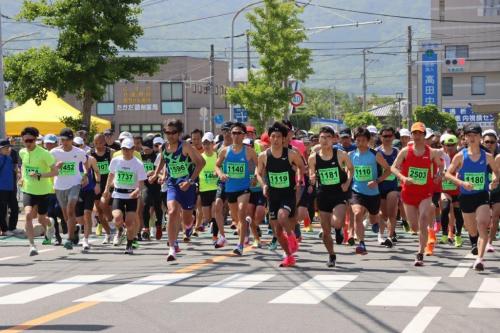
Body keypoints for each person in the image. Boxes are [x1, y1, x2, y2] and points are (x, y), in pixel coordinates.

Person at [149, 119, 205, 261]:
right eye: (167, 132)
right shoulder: (163, 147)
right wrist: (156, 174)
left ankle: (189, 225)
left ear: (179, 133)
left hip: (187, 185)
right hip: (173, 184)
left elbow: (201, 163)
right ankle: (172, 247)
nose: (170, 135)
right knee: (172, 211)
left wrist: (190, 181)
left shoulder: (185, 146)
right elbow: (163, 160)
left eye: (173, 132)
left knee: (186, 219)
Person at [445, 124, 498, 271]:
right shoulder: (460, 156)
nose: (472, 138)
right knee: (472, 230)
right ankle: (474, 240)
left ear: (480, 137)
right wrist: (461, 182)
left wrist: (494, 180)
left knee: (482, 224)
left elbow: (496, 172)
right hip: (466, 197)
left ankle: (480, 259)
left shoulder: (487, 156)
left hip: (482, 195)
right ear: (465, 138)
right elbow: (448, 174)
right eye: (469, 135)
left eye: (475, 135)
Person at [391, 122, 444, 266]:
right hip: (408, 194)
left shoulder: (430, 152)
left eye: (420, 133)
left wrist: (439, 175)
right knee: (414, 227)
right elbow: (393, 167)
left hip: (425, 193)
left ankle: (420, 253)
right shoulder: (405, 151)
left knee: (424, 218)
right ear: (411, 135)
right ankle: (426, 230)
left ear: (424, 135)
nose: (417, 136)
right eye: (415, 133)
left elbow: (441, 165)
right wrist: (403, 178)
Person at [256, 122, 305, 267]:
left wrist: (299, 180)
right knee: (277, 231)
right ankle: (289, 257)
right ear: (269, 138)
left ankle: (292, 237)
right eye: (273, 136)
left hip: (288, 193)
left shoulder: (291, 154)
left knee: (282, 216)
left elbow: (302, 167)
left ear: (284, 139)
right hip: (273, 194)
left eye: (278, 136)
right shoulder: (264, 155)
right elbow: (258, 173)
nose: (276, 139)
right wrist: (263, 185)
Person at [308, 126, 353, 267]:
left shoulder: (340, 154)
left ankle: (339, 229)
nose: (325, 140)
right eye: (322, 137)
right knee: (326, 231)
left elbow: (351, 169)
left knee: (337, 222)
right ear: (319, 139)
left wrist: (347, 182)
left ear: (333, 139)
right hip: (323, 194)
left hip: (339, 192)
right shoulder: (313, 158)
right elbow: (311, 175)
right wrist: (312, 178)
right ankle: (332, 255)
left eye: (328, 137)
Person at [215, 122, 258, 255]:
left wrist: (255, 176)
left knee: (241, 210)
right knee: (237, 218)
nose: (236, 136)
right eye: (234, 133)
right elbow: (217, 166)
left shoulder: (249, 151)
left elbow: (259, 165)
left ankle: (240, 246)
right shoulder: (225, 151)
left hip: (244, 188)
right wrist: (221, 174)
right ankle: (245, 224)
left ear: (244, 135)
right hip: (230, 189)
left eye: (239, 133)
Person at [349, 127, 392, 255]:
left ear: (368, 141)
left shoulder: (375, 154)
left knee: (373, 219)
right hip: (356, 190)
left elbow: (388, 170)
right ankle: (361, 244)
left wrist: (377, 181)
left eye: (363, 140)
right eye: (358, 140)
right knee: (357, 213)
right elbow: (349, 171)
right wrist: (347, 182)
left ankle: (376, 222)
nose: (360, 143)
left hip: (373, 193)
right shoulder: (351, 155)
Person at [103, 138, 147, 255]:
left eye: (128, 149)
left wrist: (137, 190)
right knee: (117, 218)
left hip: (132, 195)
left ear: (133, 149)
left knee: (130, 222)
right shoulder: (116, 160)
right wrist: (106, 189)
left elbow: (142, 182)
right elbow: (111, 175)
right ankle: (120, 230)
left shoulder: (138, 164)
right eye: (123, 149)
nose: (126, 151)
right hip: (118, 193)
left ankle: (129, 244)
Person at [18, 127, 57, 256]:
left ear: (36, 140)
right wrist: (22, 177)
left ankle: (50, 223)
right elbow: (24, 166)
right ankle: (32, 246)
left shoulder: (45, 154)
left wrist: (40, 175)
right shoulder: (22, 152)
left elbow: (55, 171)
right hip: (28, 189)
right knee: (28, 215)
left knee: (41, 219)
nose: (28, 143)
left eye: (31, 140)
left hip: (44, 191)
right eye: (26, 141)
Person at [51, 128, 88, 250]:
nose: (64, 142)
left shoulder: (79, 152)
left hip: (75, 184)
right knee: (66, 215)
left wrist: (85, 175)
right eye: (62, 139)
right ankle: (75, 228)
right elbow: (50, 169)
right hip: (59, 186)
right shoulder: (54, 152)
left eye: (67, 140)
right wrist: (56, 167)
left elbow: (86, 163)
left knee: (71, 210)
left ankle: (69, 239)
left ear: (72, 140)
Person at [377, 127, 400, 243]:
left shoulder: (397, 152)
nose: (387, 138)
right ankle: (380, 235)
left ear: (393, 137)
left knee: (392, 212)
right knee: (383, 213)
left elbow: (402, 167)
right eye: (385, 136)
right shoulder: (376, 152)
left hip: (392, 186)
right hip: (380, 186)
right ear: (381, 137)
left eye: (390, 136)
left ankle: (390, 237)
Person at [90, 133, 114, 244]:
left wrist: (112, 183)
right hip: (95, 185)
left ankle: (113, 222)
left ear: (104, 142)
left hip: (108, 183)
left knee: (104, 205)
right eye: (96, 143)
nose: (98, 145)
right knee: (99, 211)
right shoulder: (89, 153)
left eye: (100, 142)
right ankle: (108, 233)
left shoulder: (111, 152)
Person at [141, 138, 163, 241]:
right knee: (145, 204)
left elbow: (162, 170)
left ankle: (158, 225)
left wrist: (154, 173)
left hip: (156, 184)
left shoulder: (157, 156)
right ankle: (146, 228)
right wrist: (146, 174)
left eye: (148, 149)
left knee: (157, 206)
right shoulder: (140, 156)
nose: (146, 151)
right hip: (145, 184)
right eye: (144, 149)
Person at [482, 129, 499, 252]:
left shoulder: (498, 156)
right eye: (487, 141)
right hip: (481, 191)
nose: (489, 144)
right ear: (482, 142)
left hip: (497, 190)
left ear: (496, 142)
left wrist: (495, 181)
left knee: (495, 216)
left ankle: (489, 242)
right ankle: (480, 239)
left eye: (492, 142)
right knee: (484, 218)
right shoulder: (478, 156)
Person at [0, 139, 18, 236]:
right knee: (2, 210)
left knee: (15, 208)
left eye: (8, 147)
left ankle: (12, 227)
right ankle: (4, 230)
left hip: (11, 188)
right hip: (1, 188)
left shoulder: (9, 158)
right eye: (6, 148)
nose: (8, 149)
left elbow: (11, 171)